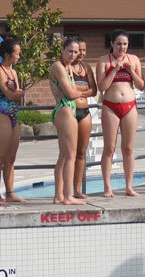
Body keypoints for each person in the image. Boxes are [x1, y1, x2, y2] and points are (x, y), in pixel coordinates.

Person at [96, 29, 145, 198]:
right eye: (118, 44)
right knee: (109, 148)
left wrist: (131, 71)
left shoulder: (134, 60)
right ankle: (107, 187)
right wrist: (115, 69)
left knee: (128, 148)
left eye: (125, 44)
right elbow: (102, 87)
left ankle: (129, 186)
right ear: (111, 44)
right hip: (110, 106)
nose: (122, 47)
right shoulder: (104, 61)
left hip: (130, 106)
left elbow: (141, 86)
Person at [49, 38, 86, 206]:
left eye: (76, 52)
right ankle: (67, 196)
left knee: (63, 157)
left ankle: (58, 195)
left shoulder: (69, 68)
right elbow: (71, 94)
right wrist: (80, 92)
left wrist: (74, 91)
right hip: (64, 109)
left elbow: (72, 91)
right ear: (62, 50)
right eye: (70, 51)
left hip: (67, 109)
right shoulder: (57, 66)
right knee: (71, 156)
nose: (73, 55)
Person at [0, 39, 25, 206]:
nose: (19, 56)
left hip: (13, 115)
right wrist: (17, 91)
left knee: (11, 157)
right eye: (17, 53)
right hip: (1, 114)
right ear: (7, 55)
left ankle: (10, 192)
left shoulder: (13, 72)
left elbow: (18, 93)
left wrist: (17, 91)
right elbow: (12, 95)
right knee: (0, 157)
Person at [71, 38, 98, 199]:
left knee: (81, 152)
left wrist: (77, 90)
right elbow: (68, 90)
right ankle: (65, 189)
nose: (81, 53)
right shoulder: (65, 67)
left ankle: (77, 189)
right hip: (70, 112)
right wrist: (84, 88)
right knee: (68, 154)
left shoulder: (86, 67)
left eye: (84, 50)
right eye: (78, 50)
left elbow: (94, 90)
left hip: (84, 111)